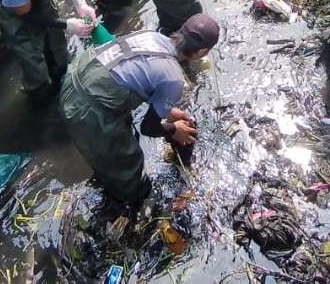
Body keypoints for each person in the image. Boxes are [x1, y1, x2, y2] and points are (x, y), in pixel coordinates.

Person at [59, 13, 220, 203]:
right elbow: (148, 128)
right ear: (202, 52)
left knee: (122, 134)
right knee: (129, 162)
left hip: (74, 78)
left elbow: (133, 73)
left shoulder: (151, 36)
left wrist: (167, 110)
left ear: (181, 28)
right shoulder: (174, 78)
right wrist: (174, 130)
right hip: (86, 108)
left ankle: (105, 163)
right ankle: (133, 199)